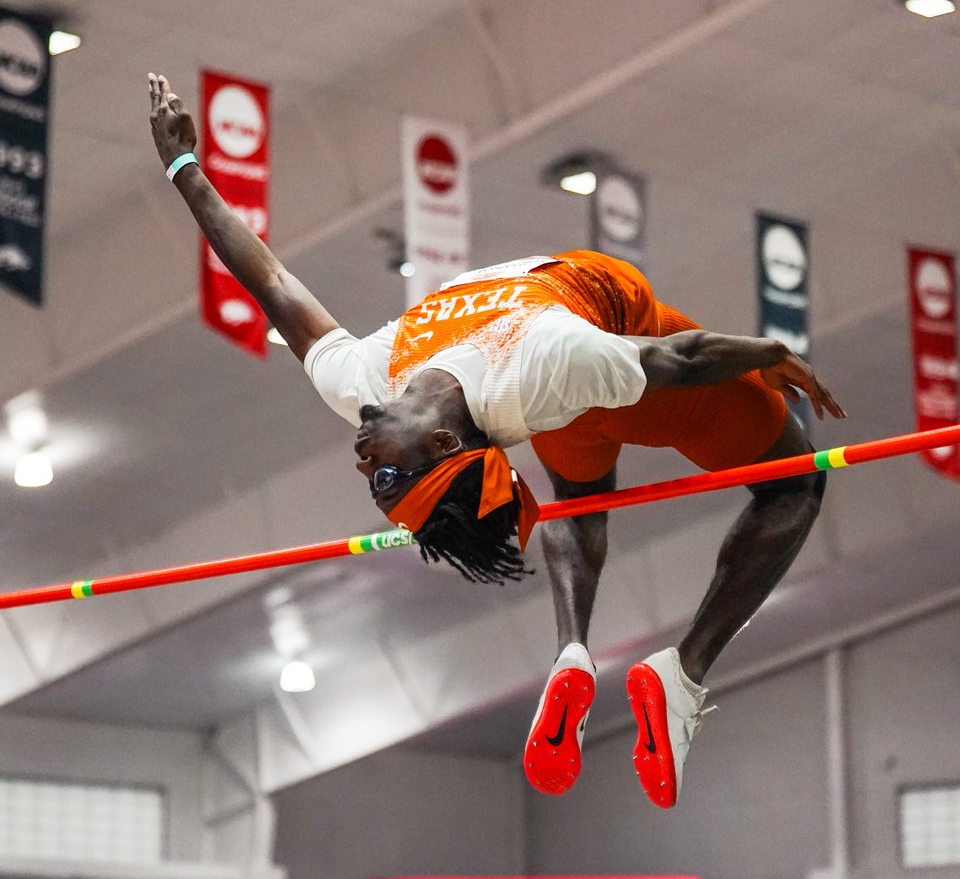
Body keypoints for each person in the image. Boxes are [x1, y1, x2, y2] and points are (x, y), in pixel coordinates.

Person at [148, 74, 845, 810]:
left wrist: (183, 169)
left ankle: (570, 652)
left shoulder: (365, 384)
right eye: (391, 475)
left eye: (377, 485)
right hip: (619, 348)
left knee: (578, 497)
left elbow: (274, 285)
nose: (365, 465)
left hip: (569, 411)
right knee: (796, 482)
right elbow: (675, 361)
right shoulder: (548, 360)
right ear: (446, 440)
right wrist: (769, 351)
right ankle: (685, 671)